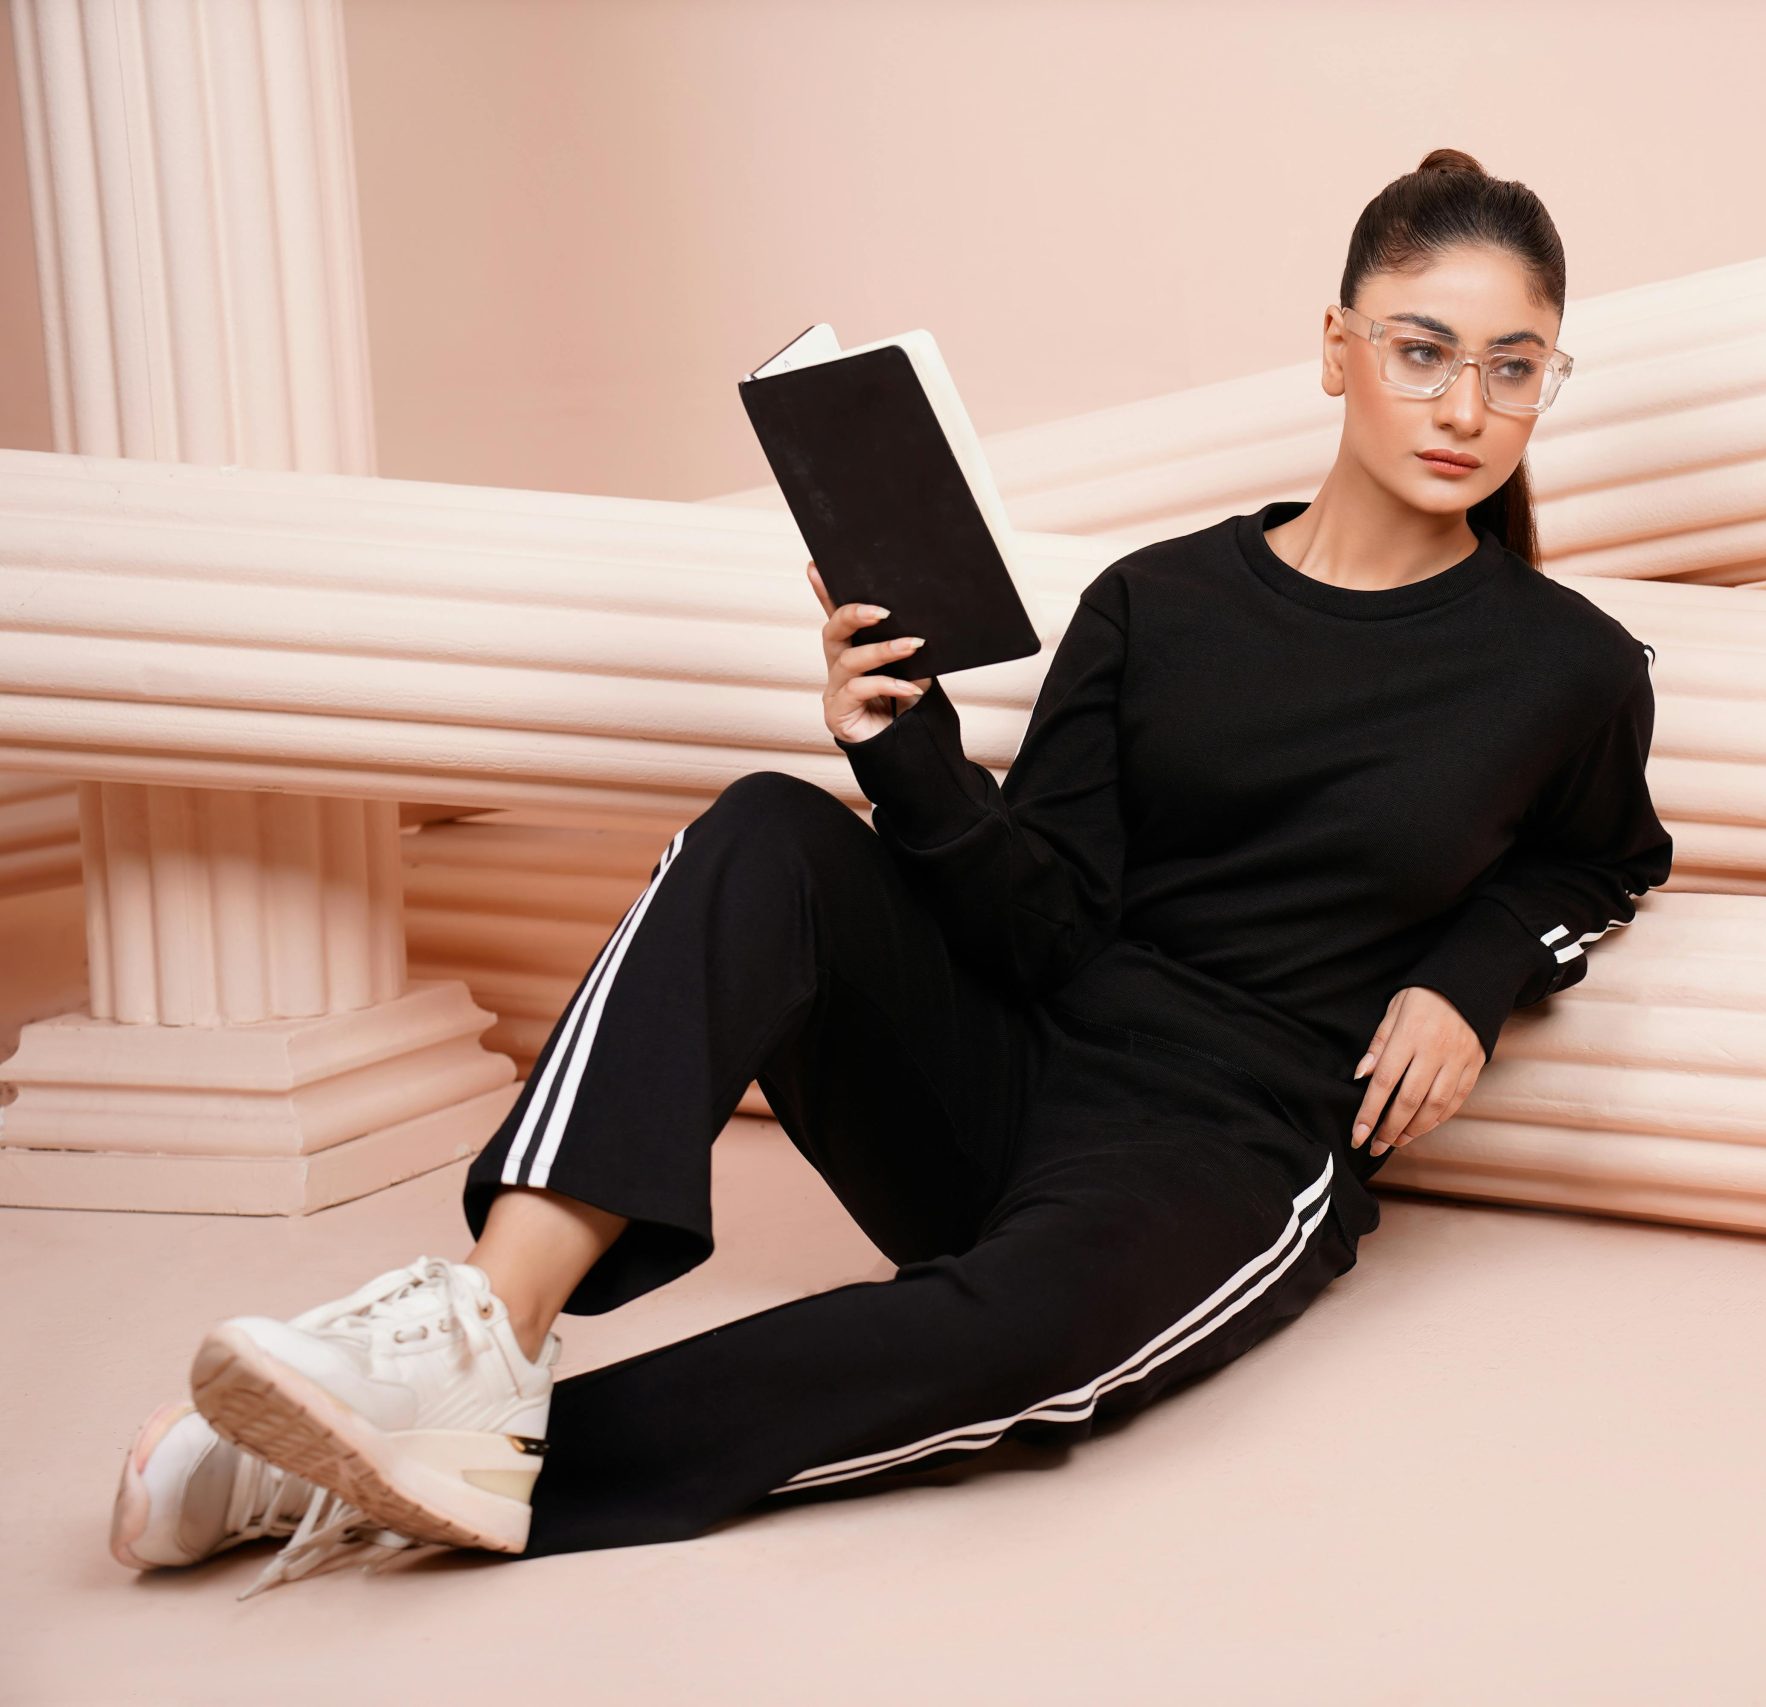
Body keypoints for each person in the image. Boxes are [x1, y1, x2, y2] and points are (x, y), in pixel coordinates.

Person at [107, 146, 1677, 1599]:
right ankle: (479, 1330)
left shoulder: (1567, 669)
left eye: (1513, 366)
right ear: (1336, 347)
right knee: (766, 827)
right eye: (1422, 350)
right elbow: (1042, 921)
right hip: (1011, 1075)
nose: (1465, 405)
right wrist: (900, 745)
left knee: (1021, 1341)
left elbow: (1607, 854)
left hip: (1227, 1145)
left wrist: (1472, 974)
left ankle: (345, 1475)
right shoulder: (1157, 602)